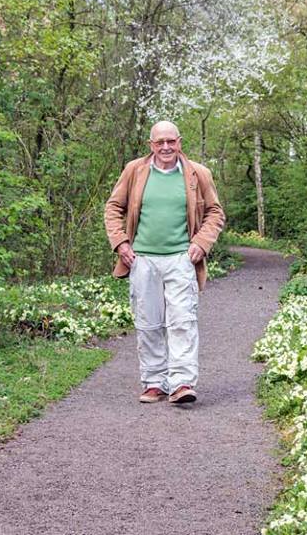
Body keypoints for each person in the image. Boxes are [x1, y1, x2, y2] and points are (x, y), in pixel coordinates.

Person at [104, 121, 225, 404]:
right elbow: (113, 207)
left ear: (180, 142)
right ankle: (154, 382)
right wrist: (121, 242)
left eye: (171, 141)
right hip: (142, 260)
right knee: (148, 323)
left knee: (182, 320)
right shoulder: (135, 170)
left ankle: (182, 383)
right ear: (151, 145)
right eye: (160, 142)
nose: (166, 147)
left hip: (181, 258)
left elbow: (215, 213)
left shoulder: (198, 174)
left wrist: (201, 243)